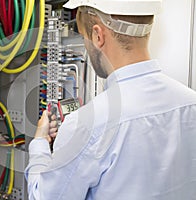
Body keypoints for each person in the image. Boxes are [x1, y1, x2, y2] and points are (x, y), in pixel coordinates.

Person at [25, 0, 196, 199]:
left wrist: (39, 143)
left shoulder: (87, 126)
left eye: (84, 38)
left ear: (98, 36)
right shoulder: (191, 103)